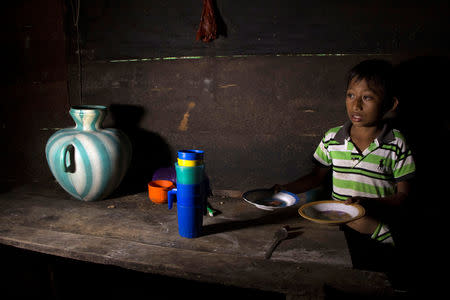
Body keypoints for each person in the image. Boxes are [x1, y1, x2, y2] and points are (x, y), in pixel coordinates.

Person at [274, 59, 415, 252]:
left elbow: (403, 196)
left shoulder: (396, 143)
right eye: (350, 95)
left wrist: (368, 205)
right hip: (338, 226)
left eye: (367, 98)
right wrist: (283, 189)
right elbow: (316, 177)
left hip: (378, 228)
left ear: (390, 104)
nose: (356, 105)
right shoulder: (332, 138)